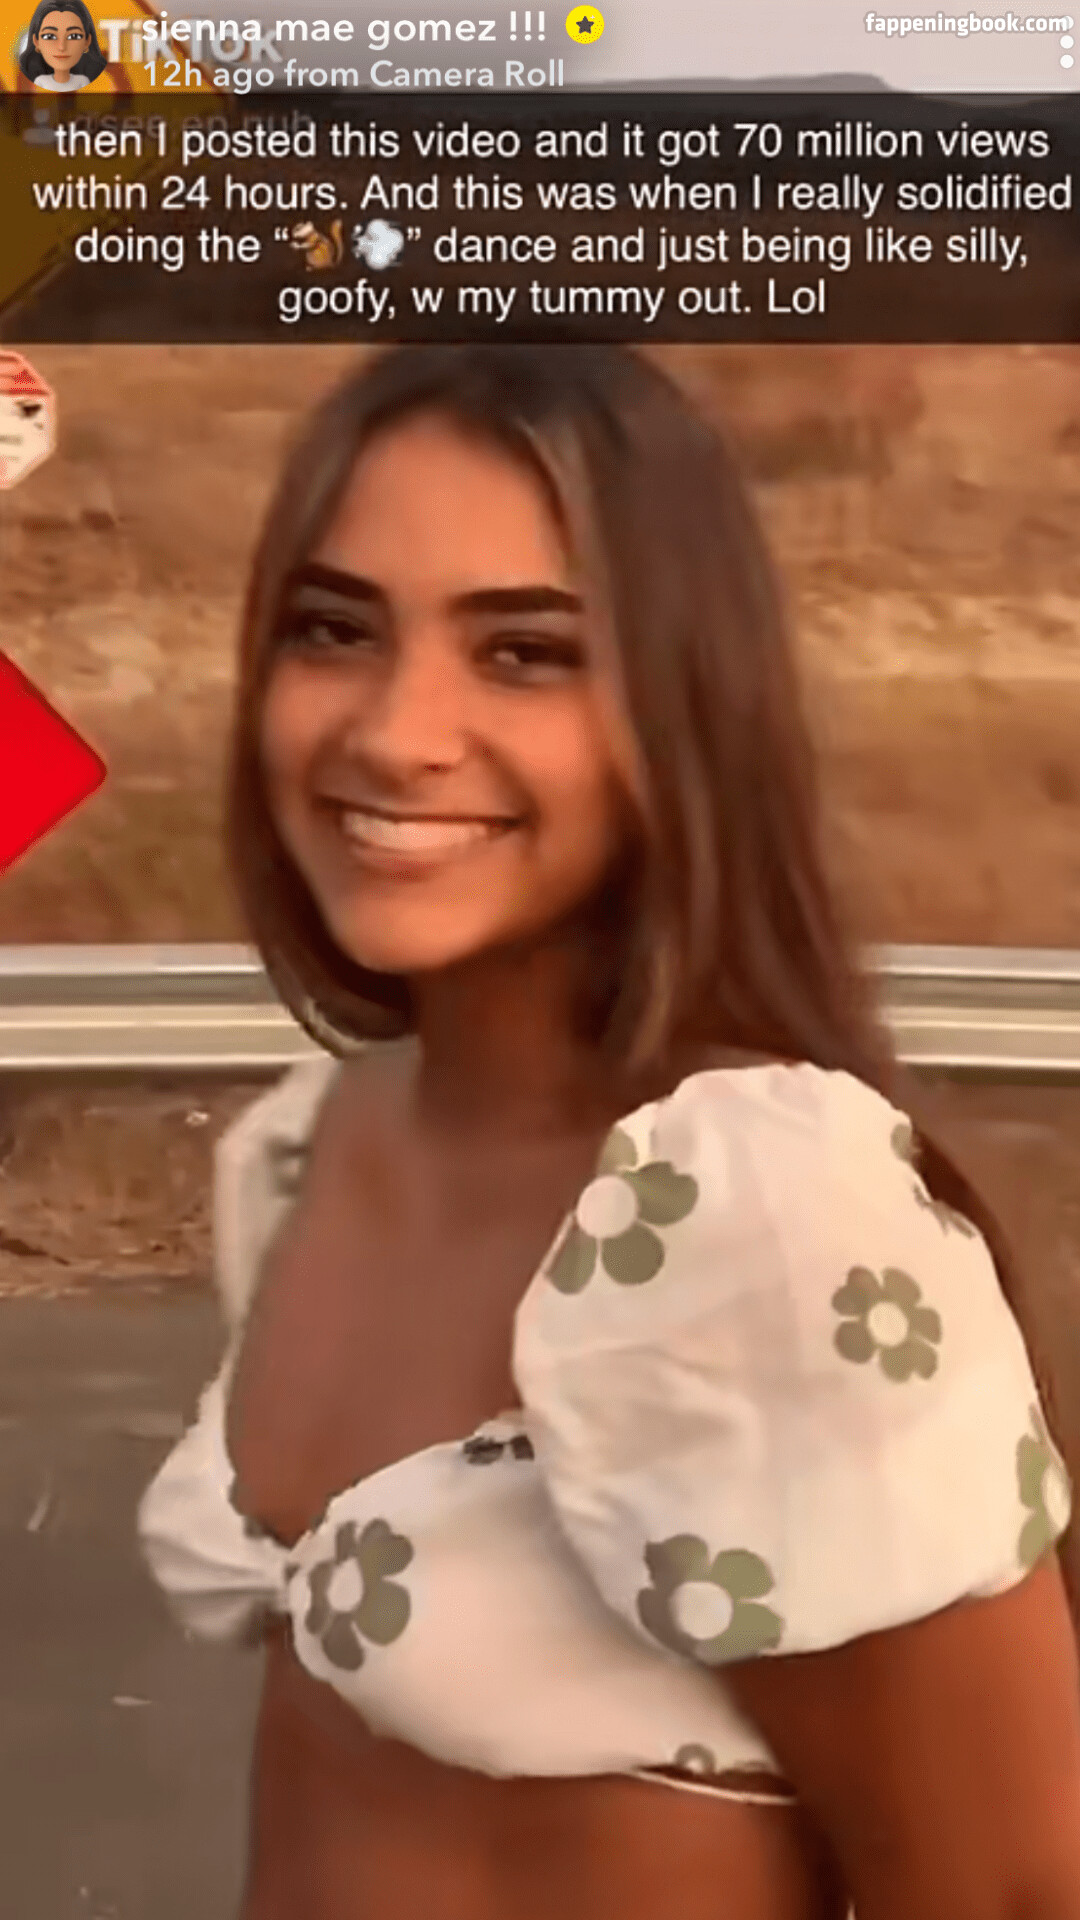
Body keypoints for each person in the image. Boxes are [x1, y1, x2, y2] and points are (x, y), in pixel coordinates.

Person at [139, 346, 1080, 1920]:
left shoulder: (755, 1221)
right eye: (335, 629)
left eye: (525, 653)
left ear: (684, 701)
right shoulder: (322, 1145)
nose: (397, 732)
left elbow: (1013, 1894)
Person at [18, 0, 106, 89]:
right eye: (50, 36)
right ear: (36, 42)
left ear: (87, 41)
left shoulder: (84, 80)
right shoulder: (38, 81)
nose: (61, 47)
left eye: (73, 36)